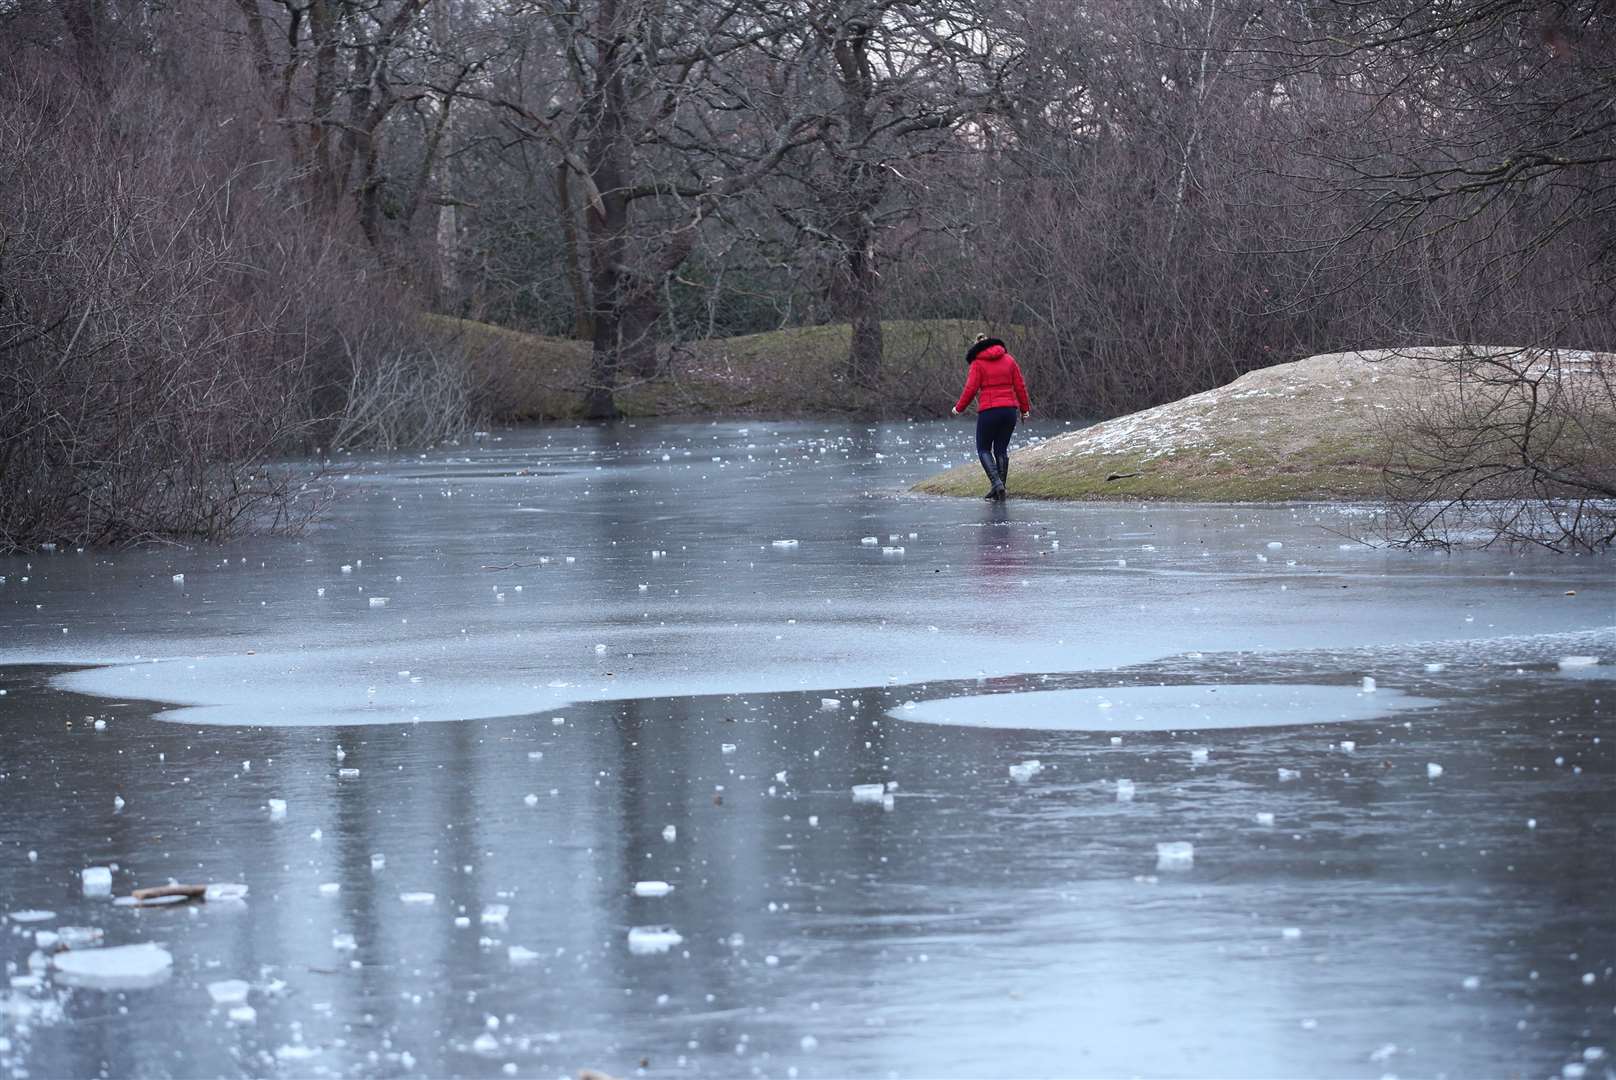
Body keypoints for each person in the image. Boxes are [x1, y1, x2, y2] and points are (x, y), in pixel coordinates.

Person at [951, 334, 1031, 501]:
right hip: (1009, 411)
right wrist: (1025, 410)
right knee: (1001, 449)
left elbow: (970, 388)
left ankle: (997, 484)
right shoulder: (1009, 359)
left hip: (989, 411)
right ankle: (999, 488)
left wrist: (959, 408)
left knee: (983, 448)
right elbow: (1020, 386)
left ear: (977, 346)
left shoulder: (977, 363)